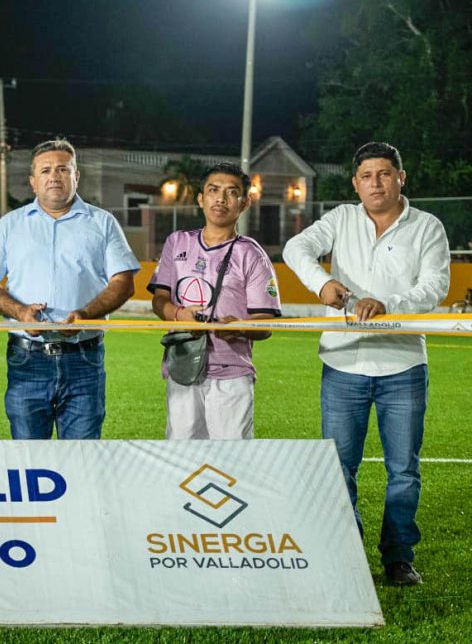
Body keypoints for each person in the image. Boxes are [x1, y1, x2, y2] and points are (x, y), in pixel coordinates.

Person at [284, 142, 450, 586]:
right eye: (366, 176)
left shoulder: (428, 227)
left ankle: (398, 558)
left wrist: (388, 304)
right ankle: (348, 552)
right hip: (342, 363)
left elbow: (436, 285)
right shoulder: (340, 218)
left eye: (384, 174)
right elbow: (296, 248)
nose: (375, 183)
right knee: (338, 467)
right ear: (355, 182)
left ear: (401, 177)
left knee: (404, 470)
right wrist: (321, 283)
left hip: (403, 365)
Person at [0, 139, 139, 440]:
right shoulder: (11, 224)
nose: (54, 176)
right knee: (29, 461)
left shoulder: (103, 223)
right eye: (45, 170)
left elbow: (123, 282)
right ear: (33, 181)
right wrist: (19, 312)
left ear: (77, 176)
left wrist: (85, 315)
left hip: (84, 359)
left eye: (63, 169)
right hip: (27, 359)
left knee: (81, 459)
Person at [147, 162, 281, 440]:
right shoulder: (177, 242)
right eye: (213, 190)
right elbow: (159, 300)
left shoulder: (252, 254)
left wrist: (238, 326)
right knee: (182, 455)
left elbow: (265, 323)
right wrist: (177, 313)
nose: (221, 199)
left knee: (231, 462)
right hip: (183, 366)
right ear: (201, 198)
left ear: (244, 203)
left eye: (232, 193)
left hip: (232, 373)